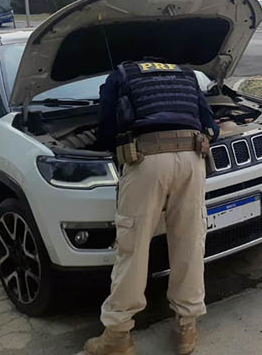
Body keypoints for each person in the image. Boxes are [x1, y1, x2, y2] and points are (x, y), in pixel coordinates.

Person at [84, 59, 220, 355]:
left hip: (146, 160)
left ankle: (117, 336)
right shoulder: (185, 75)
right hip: (193, 158)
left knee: (133, 247)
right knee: (190, 244)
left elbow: (105, 129)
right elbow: (212, 126)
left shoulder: (121, 74)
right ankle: (187, 329)